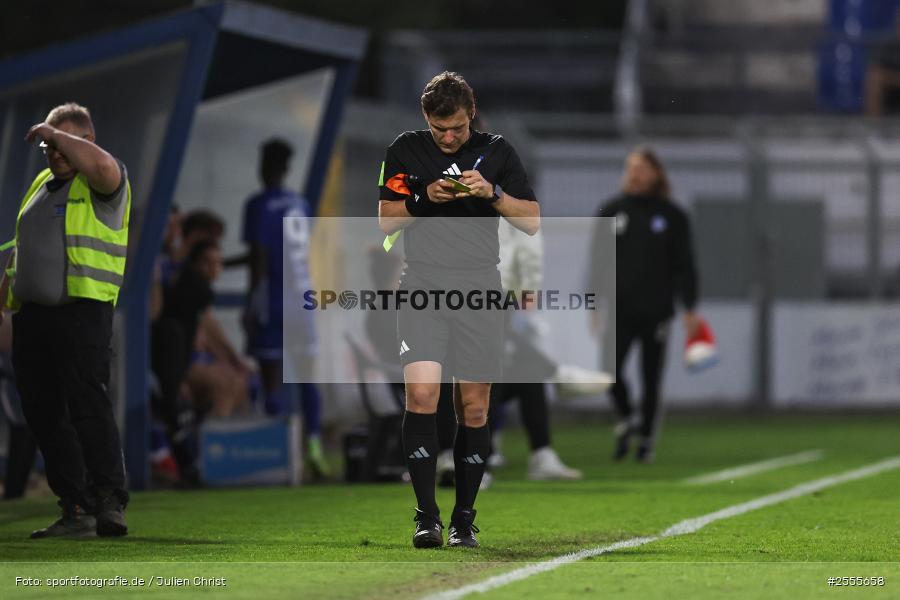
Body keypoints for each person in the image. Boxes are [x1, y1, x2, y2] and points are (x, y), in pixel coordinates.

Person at [378, 71, 540, 548]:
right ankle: (426, 516)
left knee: (474, 404)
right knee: (423, 395)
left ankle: (463, 520)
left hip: (479, 289)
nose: (448, 138)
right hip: (422, 285)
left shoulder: (498, 151)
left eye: (457, 129)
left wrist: (491, 193)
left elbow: (531, 221)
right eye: (438, 129)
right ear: (426, 120)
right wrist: (425, 197)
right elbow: (386, 218)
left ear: (472, 114)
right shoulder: (406, 149)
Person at [0, 103, 130, 537]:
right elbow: (22, 250)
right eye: (47, 145)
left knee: (87, 406)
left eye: (61, 142)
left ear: (86, 143)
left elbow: (103, 164)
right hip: (34, 318)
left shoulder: (104, 180)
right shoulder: (42, 183)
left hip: (82, 310)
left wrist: (55, 134)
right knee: (43, 414)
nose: (52, 151)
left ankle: (110, 500)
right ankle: (76, 508)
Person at [591, 147, 701, 463]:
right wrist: (593, 304)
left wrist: (690, 307)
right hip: (620, 309)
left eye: (640, 168)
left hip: (657, 311)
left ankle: (645, 440)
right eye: (630, 168)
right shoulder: (611, 210)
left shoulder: (672, 216)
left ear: (655, 173)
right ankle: (628, 418)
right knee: (607, 371)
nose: (633, 174)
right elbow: (598, 261)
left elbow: (686, 265)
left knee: (651, 378)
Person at [240, 139, 329, 478]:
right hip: (302, 301)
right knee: (307, 378)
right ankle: (315, 449)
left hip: (275, 301)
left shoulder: (259, 205)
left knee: (271, 377)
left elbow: (259, 258)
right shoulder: (301, 204)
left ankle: (278, 459)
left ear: (265, 164)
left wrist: (254, 302)